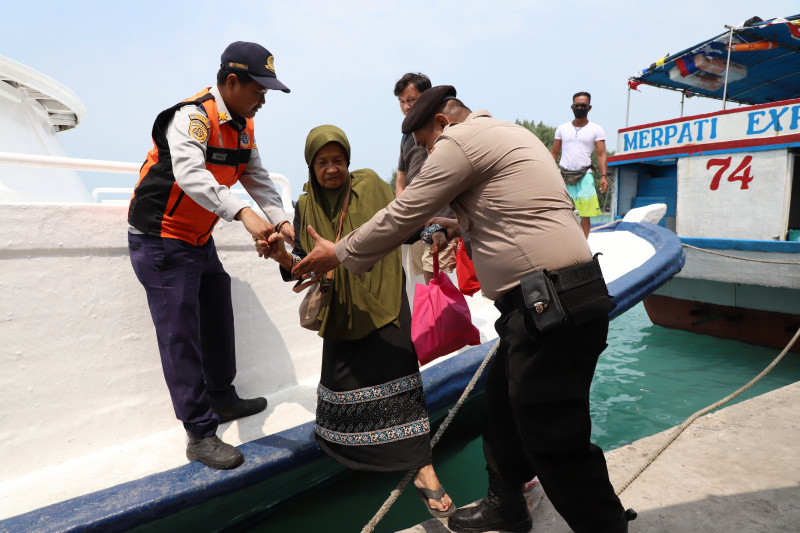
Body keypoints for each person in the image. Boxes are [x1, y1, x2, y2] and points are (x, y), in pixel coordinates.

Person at [291, 86, 636, 533]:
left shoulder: (458, 142)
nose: (427, 154)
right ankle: (507, 506)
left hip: (549, 306)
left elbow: (404, 212)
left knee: (553, 436)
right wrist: (459, 226)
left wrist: (338, 253)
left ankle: (606, 526)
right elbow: (517, 212)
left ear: (441, 123)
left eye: (425, 145)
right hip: (555, 300)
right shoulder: (510, 133)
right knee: (501, 411)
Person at [257, 125, 455, 517]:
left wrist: (431, 229)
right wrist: (281, 255)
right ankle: (360, 457)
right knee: (344, 391)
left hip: (383, 300)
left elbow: (404, 222)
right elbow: (300, 266)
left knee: (402, 383)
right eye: (322, 162)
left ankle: (424, 469)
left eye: (338, 160)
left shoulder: (370, 186)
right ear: (311, 166)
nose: (331, 169)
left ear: (349, 161)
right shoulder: (306, 204)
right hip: (341, 310)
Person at [127, 41, 294, 470]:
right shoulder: (193, 117)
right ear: (232, 81)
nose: (264, 99)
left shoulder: (244, 126)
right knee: (180, 333)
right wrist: (243, 214)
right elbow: (190, 174)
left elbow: (258, 180)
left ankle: (221, 396)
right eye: (260, 89)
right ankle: (199, 433)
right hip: (161, 238)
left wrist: (282, 223)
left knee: (218, 311)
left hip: (199, 238)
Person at [394, 72, 458, 284]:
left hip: (441, 217)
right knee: (423, 278)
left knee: (438, 277)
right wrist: (402, 209)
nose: (406, 106)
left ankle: (445, 318)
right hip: (418, 219)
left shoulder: (438, 128)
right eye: (401, 101)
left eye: (411, 100)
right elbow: (402, 176)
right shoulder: (406, 135)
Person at [551, 91, 609, 239]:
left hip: (585, 176)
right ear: (572, 107)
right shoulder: (562, 128)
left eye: (583, 106)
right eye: (577, 105)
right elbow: (553, 153)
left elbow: (601, 154)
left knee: (585, 214)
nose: (580, 108)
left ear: (589, 108)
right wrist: (548, 173)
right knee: (560, 212)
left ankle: (583, 247)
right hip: (562, 174)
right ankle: (563, 243)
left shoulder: (596, 129)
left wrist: (603, 176)